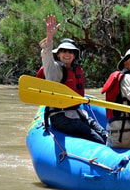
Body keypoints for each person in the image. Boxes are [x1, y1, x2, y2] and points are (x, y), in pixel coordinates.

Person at [38, 15, 107, 144]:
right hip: (60, 117)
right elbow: (46, 56)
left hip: (77, 113)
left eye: (70, 52)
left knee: (104, 136)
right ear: (58, 54)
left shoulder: (76, 70)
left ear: (75, 55)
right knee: (96, 138)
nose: (67, 54)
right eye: (63, 51)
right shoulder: (54, 70)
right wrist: (50, 37)